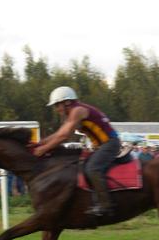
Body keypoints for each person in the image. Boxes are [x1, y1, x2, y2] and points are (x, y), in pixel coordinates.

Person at [33, 86, 120, 216]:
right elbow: (59, 133)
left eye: (57, 105)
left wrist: (44, 149)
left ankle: (105, 205)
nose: (56, 109)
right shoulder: (73, 112)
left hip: (109, 144)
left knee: (92, 169)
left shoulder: (77, 111)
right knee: (81, 166)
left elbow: (64, 136)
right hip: (102, 145)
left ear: (67, 102)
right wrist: (40, 143)